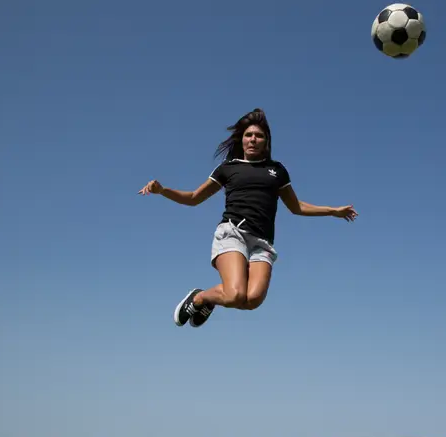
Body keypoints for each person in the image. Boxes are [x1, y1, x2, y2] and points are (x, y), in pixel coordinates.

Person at [138, 108, 357, 328]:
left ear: (266, 142)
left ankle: (208, 298)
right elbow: (194, 197)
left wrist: (332, 211)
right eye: (248, 135)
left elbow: (297, 207)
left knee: (251, 300)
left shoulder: (277, 170)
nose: (253, 139)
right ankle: (199, 299)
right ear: (242, 139)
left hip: (262, 243)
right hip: (233, 233)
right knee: (234, 295)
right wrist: (162, 190)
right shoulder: (228, 168)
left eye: (259, 136)